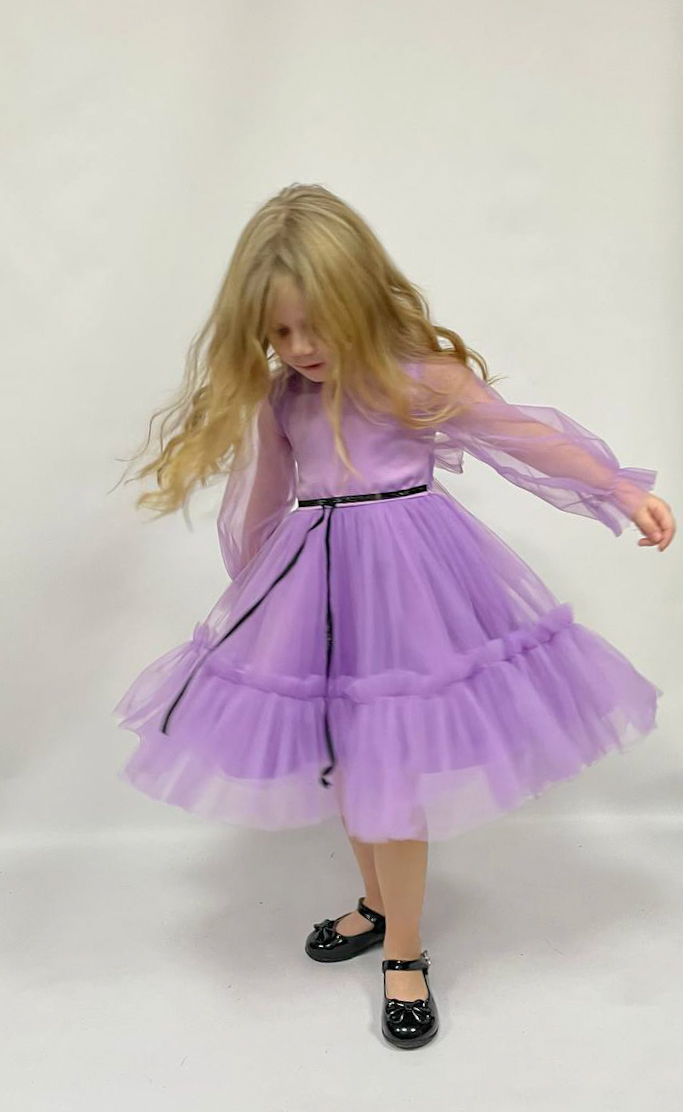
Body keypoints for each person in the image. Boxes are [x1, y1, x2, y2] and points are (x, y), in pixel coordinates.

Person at [112, 182, 675, 1049]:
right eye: (278, 333)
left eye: (315, 325)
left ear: (360, 299)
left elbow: (521, 437)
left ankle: (404, 951)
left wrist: (616, 489)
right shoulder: (284, 401)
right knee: (355, 760)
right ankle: (378, 904)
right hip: (320, 594)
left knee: (392, 772)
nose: (299, 349)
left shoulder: (416, 379)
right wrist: (258, 604)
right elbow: (262, 504)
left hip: (413, 595)